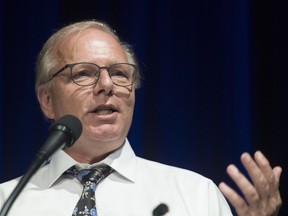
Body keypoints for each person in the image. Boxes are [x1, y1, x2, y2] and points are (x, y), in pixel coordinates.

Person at [0, 20, 282, 216]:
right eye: (84, 73)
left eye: (120, 73)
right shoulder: (7, 202)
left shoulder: (195, 195)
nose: (107, 85)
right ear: (47, 101)